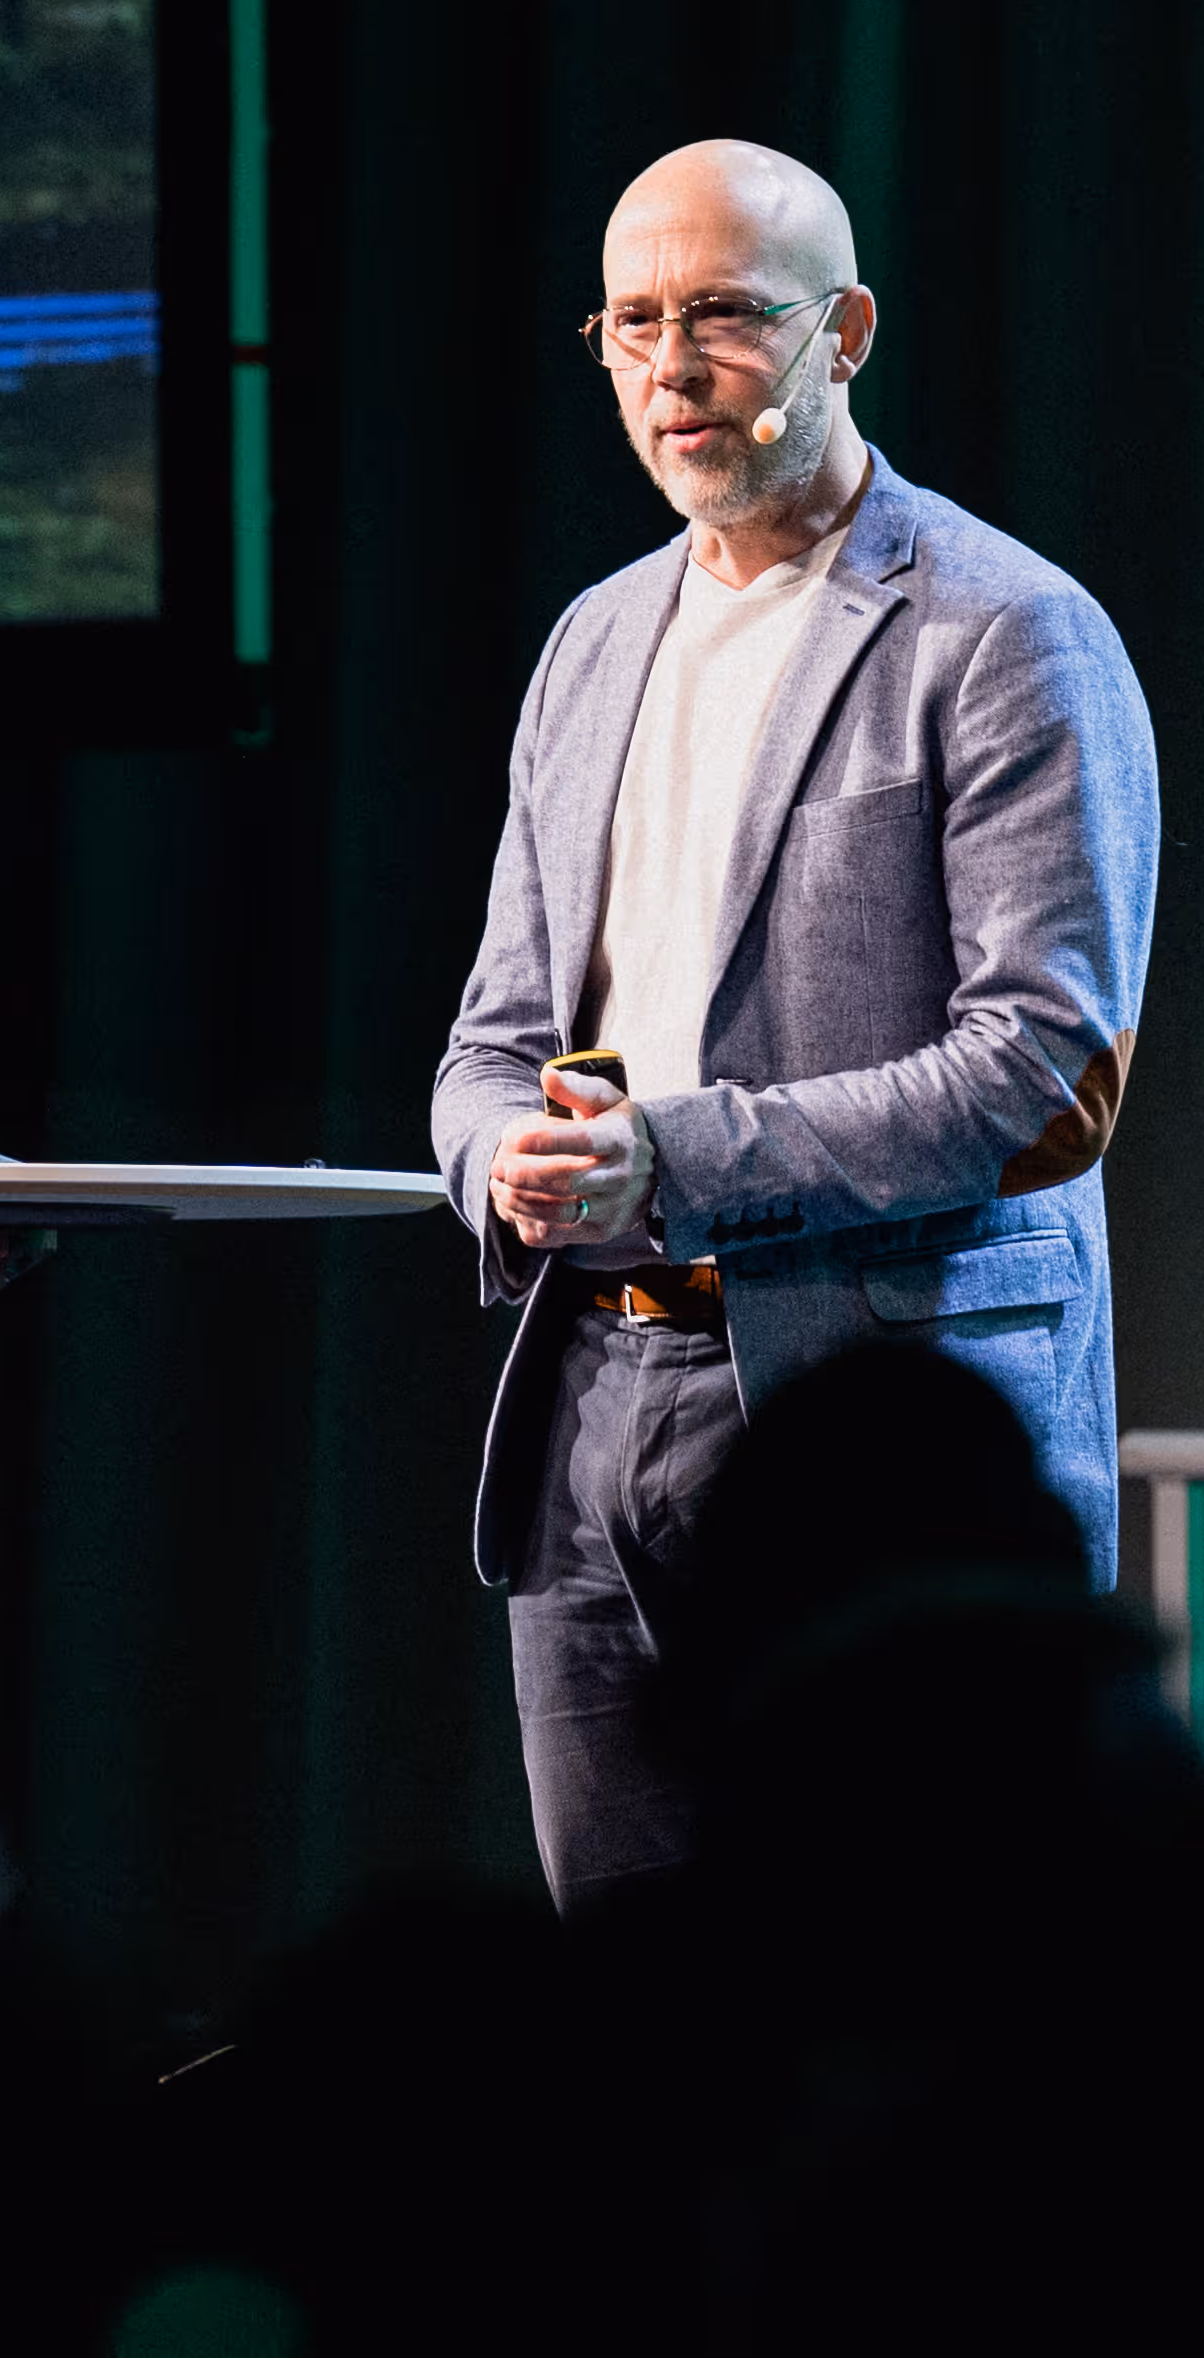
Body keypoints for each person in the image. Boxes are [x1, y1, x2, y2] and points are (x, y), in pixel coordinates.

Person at [430, 137, 1159, 1910]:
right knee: (638, 2036)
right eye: (627, 324)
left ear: (842, 330)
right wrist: (497, 1163)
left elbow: (1042, 1073)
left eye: (721, 319)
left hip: (885, 1413)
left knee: (916, 2005)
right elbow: (488, 1039)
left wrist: (668, 1159)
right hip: (595, 1392)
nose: (668, 371)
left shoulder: (1004, 631)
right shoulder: (590, 643)